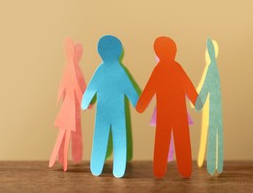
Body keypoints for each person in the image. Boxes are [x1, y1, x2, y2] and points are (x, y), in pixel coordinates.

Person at [136, 36, 198, 178]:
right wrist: (196, 101)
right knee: (182, 140)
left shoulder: (158, 69)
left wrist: (141, 105)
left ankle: (159, 170)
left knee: (162, 141)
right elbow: (188, 86)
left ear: (157, 53)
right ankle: (185, 169)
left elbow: (149, 90)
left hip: (164, 113)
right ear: (174, 51)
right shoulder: (177, 68)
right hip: (179, 112)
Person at [81, 35, 139, 178]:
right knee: (119, 138)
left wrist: (85, 103)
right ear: (119, 52)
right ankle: (117, 169)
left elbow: (91, 89)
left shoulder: (101, 70)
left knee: (100, 137)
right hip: (117, 113)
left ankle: (96, 167)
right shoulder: (119, 71)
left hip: (103, 113)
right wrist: (137, 103)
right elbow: (130, 90)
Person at [49, 37, 84, 171]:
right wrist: (84, 101)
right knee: (65, 133)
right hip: (69, 107)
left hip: (73, 108)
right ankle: (62, 159)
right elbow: (74, 86)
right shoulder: (70, 67)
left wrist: (86, 101)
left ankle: (73, 158)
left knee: (69, 133)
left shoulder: (75, 67)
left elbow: (81, 85)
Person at [195, 38, 223, 175]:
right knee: (214, 133)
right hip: (215, 107)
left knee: (211, 134)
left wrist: (197, 103)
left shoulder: (211, 68)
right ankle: (214, 163)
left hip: (211, 108)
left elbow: (205, 87)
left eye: (207, 51)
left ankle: (212, 165)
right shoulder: (214, 67)